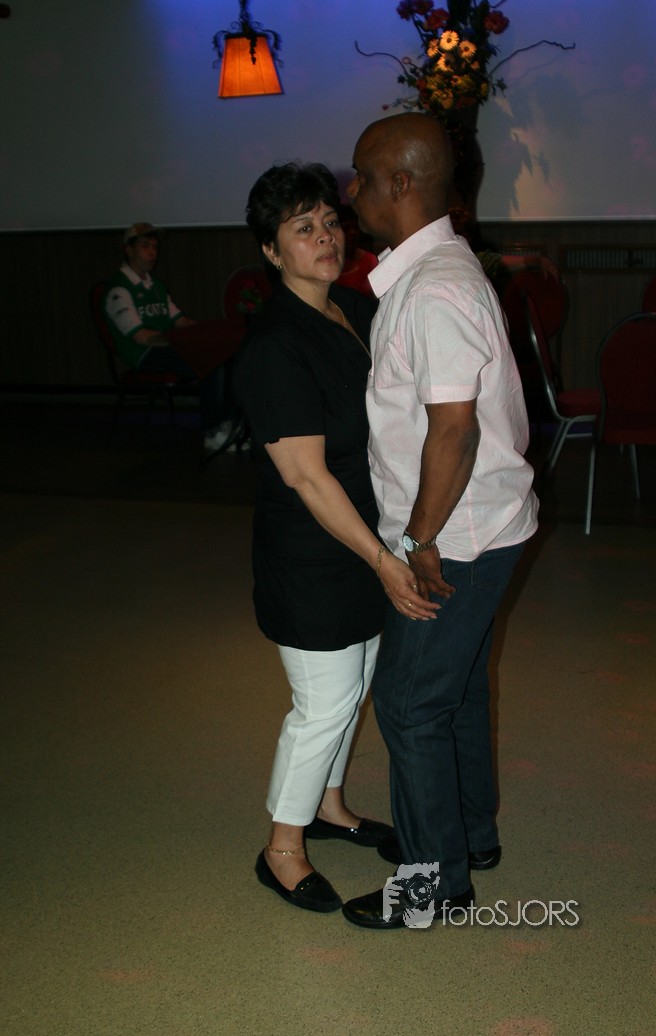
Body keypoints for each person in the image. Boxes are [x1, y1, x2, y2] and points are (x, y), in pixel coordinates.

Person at [341, 113, 539, 930]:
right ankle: (467, 837)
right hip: (477, 526)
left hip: (453, 537)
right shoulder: (432, 274)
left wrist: (417, 541)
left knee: (409, 701)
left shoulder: (435, 289)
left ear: (401, 183)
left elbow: (453, 430)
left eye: (360, 176)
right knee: (452, 692)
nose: (350, 190)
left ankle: (432, 886)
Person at [232, 162, 437, 914]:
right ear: (270, 250)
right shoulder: (274, 346)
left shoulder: (351, 306)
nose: (324, 238)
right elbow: (308, 478)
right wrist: (384, 561)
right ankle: (281, 847)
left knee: (355, 688)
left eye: (328, 222)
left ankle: (329, 805)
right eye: (302, 229)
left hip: (365, 535)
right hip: (315, 551)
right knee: (322, 703)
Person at [103, 223, 238, 451]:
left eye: (155, 246)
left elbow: (181, 321)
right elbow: (141, 338)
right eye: (145, 246)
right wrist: (182, 341)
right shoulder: (119, 290)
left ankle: (229, 423)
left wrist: (209, 332)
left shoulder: (155, 285)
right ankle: (212, 430)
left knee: (224, 353)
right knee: (209, 362)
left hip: (166, 346)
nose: (152, 252)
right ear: (128, 250)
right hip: (143, 355)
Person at [335, 205, 378, 296]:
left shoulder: (370, 260)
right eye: (346, 229)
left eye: (355, 228)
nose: (352, 232)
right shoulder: (328, 261)